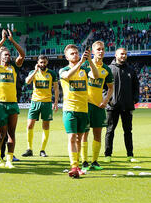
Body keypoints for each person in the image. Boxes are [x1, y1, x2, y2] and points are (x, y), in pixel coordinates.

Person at [59, 44, 98, 178]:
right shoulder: (63, 70)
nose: (75, 55)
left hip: (83, 109)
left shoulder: (85, 69)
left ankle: (79, 166)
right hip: (69, 109)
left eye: (76, 53)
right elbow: (68, 76)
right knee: (72, 137)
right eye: (72, 53)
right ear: (66, 57)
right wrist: (81, 62)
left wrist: (90, 61)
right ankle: (74, 166)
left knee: (80, 139)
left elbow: (96, 75)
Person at [0, 29, 25, 169]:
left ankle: (9, 159)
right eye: (5, 55)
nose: (7, 56)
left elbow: (22, 54)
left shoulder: (14, 68)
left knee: (12, 133)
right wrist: (3, 41)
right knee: (1, 134)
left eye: (9, 55)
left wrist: (12, 41)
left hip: (13, 104)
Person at [80, 41, 114, 171]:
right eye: (98, 49)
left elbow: (111, 88)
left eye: (103, 49)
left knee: (98, 134)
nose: (101, 51)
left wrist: (105, 101)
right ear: (93, 51)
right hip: (85, 104)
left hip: (99, 106)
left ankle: (94, 161)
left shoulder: (107, 69)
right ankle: (84, 161)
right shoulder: (85, 65)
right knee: (84, 133)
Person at [104, 48, 140, 163]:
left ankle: (130, 155)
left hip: (127, 106)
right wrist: (108, 100)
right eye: (121, 54)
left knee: (128, 131)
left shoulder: (131, 70)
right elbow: (103, 87)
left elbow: (136, 87)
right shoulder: (109, 69)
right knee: (110, 131)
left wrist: (134, 99)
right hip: (112, 106)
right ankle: (107, 155)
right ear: (116, 55)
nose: (123, 56)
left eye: (125, 54)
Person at [22, 55, 59, 158]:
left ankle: (42, 150)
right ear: (38, 63)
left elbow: (56, 88)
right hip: (35, 102)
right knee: (29, 125)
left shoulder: (52, 73)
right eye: (41, 62)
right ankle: (29, 149)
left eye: (44, 62)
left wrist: (55, 102)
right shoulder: (32, 72)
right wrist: (35, 71)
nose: (42, 64)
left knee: (45, 126)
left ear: (47, 63)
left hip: (47, 103)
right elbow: (27, 81)